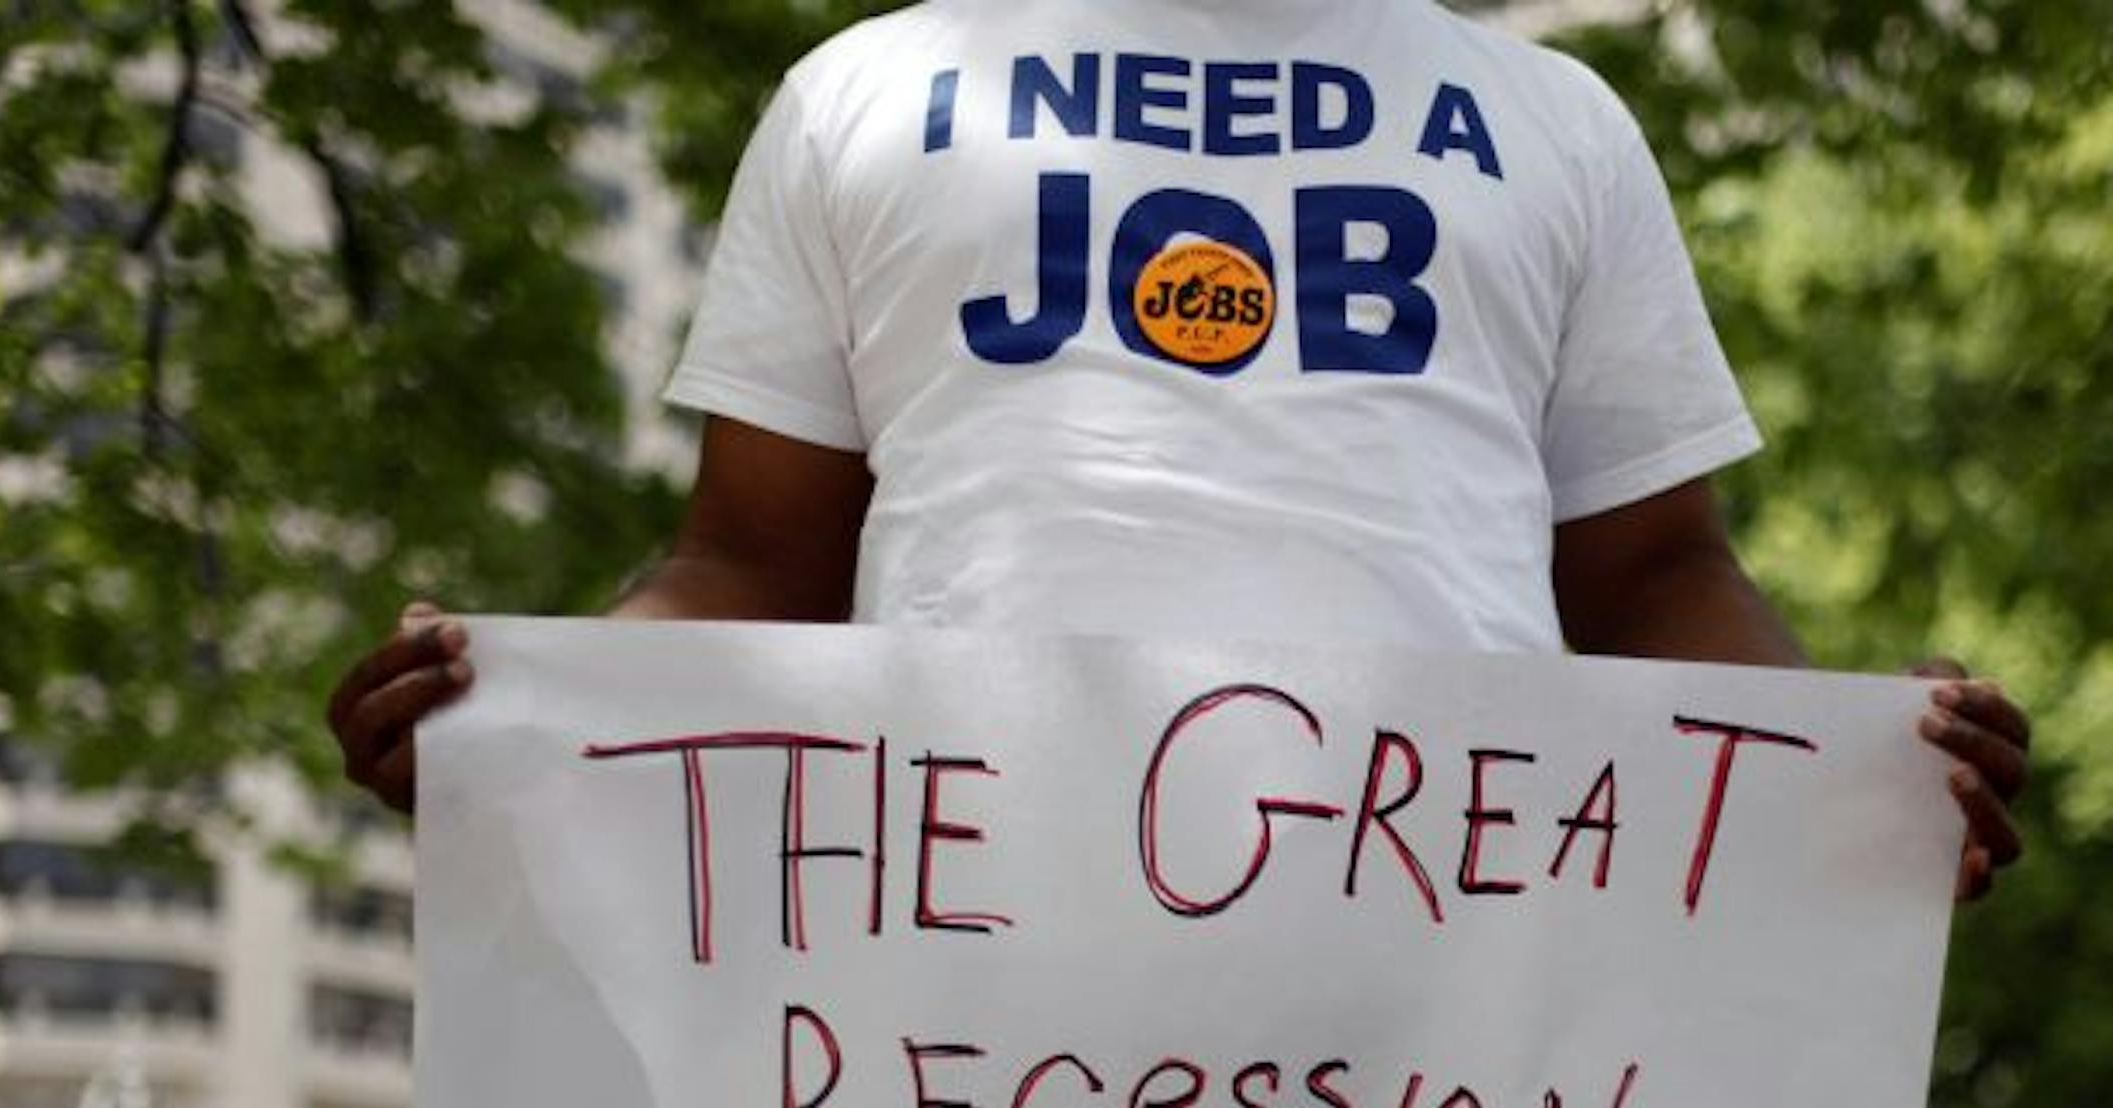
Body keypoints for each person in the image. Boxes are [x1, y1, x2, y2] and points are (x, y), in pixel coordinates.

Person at [329, 0, 2029, 891]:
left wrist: (1856, 797)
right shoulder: (858, 96)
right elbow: (756, 565)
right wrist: (527, 730)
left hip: (1479, 1015)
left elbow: (1657, 577)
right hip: (947, 1011)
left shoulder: (1558, 125)